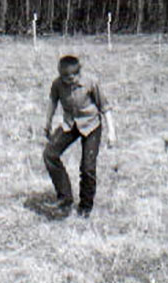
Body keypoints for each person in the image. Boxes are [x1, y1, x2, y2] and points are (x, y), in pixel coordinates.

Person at [42, 55, 117, 218]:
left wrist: (112, 132)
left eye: (71, 78)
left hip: (91, 126)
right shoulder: (57, 84)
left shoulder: (91, 83)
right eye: (64, 78)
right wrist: (47, 124)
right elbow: (52, 101)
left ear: (78, 74)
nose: (68, 82)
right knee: (49, 154)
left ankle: (85, 208)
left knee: (87, 167)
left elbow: (105, 107)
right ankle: (65, 198)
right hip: (70, 124)